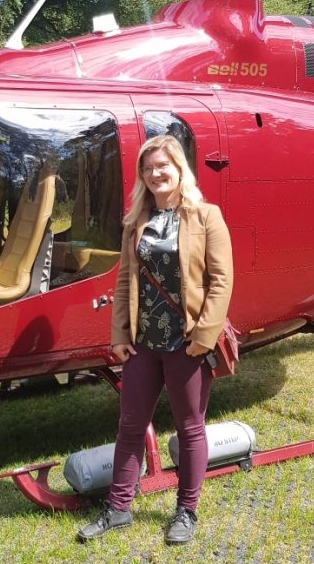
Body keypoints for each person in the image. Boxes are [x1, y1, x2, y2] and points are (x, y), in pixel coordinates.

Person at [77, 135, 233, 545]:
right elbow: (126, 281)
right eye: (147, 169)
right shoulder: (136, 221)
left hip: (187, 343)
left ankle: (186, 511)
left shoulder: (206, 216)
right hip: (143, 342)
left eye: (162, 166)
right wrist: (118, 336)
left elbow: (221, 282)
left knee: (189, 428)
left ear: (179, 168)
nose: (155, 174)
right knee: (130, 426)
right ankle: (118, 508)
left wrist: (204, 336)